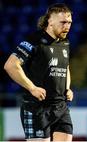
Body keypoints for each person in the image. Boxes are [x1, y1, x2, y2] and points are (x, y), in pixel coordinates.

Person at [4, 3, 73, 141]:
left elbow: (66, 67)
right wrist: (32, 88)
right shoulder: (34, 40)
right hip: (36, 108)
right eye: (63, 22)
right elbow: (11, 65)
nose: (67, 26)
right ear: (50, 21)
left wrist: (67, 88)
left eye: (70, 22)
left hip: (61, 107)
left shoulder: (65, 43)